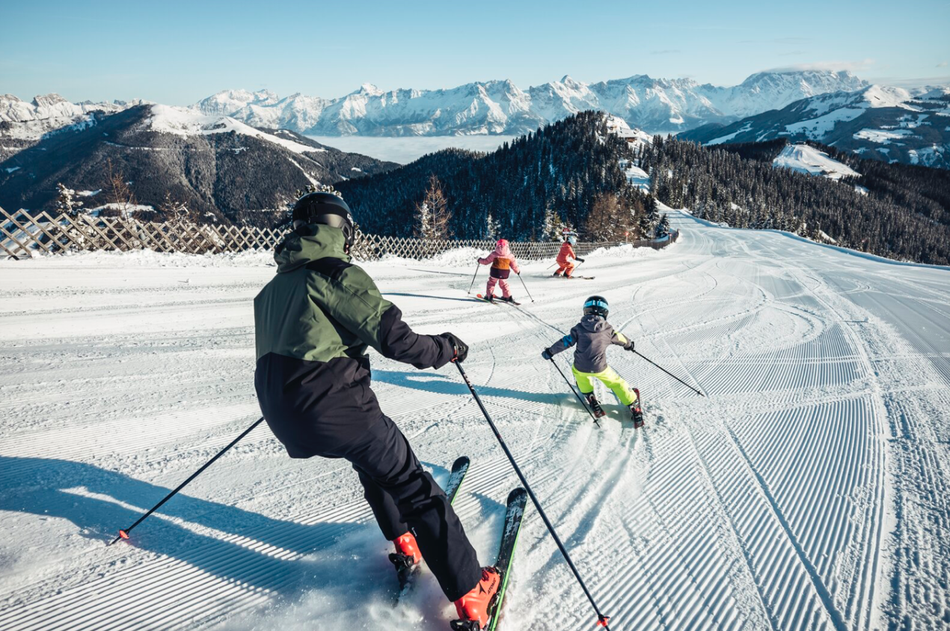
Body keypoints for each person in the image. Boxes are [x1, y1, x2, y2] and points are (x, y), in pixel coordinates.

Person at [253, 192, 499, 626]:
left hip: (284, 413)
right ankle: (469, 590)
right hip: (335, 409)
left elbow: (299, 346)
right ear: (341, 229)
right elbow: (397, 341)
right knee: (414, 485)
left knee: (370, 462)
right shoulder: (336, 273)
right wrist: (447, 348)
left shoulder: (273, 289)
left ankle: (405, 542)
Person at [541, 295, 644, 427]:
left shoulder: (578, 328)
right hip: (600, 367)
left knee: (580, 376)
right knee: (616, 383)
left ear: (586, 311)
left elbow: (566, 342)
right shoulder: (608, 330)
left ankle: (590, 396)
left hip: (580, 366)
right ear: (605, 313)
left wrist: (550, 351)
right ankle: (633, 404)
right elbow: (620, 338)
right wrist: (629, 345)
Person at [477, 238, 520, 303]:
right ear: (507, 246)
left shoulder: (494, 254)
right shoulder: (510, 255)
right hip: (504, 273)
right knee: (504, 284)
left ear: (497, 246)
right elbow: (514, 265)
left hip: (495, 272)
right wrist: (517, 271)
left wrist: (480, 260)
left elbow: (486, 261)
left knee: (491, 283)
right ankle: (507, 296)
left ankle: (489, 296)